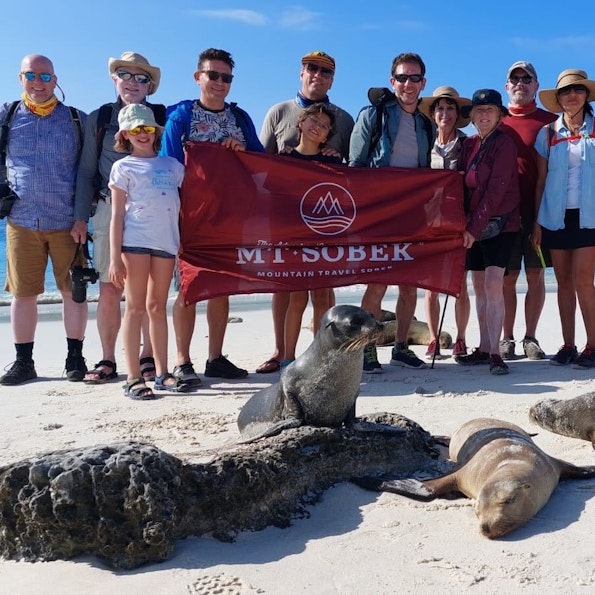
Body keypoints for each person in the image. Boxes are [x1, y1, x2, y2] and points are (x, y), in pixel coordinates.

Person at [161, 48, 264, 384]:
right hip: (189, 218)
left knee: (221, 288)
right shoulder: (182, 118)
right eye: (213, 75)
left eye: (226, 77)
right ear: (198, 77)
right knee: (188, 288)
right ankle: (182, 360)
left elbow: (262, 166)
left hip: (229, 217)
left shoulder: (241, 119)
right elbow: (168, 170)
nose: (220, 82)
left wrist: (243, 152)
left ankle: (216, 357)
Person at [257, 50, 354, 374]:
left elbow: (353, 171)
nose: (318, 75)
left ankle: (320, 355)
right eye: (312, 68)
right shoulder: (278, 111)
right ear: (301, 72)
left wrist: (334, 156)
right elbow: (258, 163)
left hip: (323, 224)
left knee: (323, 292)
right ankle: (282, 352)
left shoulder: (343, 118)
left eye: (326, 72)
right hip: (285, 222)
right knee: (285, 289)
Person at [74, 51, 164, 385]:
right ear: (115, 79)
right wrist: (79, 218)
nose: (133, 82)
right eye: (125, 74)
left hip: (152, 214)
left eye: (141, 78)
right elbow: (85, 171)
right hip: (108, 208)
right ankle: (108, 359)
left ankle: (147, 357)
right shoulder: (98, 119)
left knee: (150, 291)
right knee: (111, 287)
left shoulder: (161, 117)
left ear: (150, 86)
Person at [0, 54, 87, 386]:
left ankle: (75, 358)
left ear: (56, 79)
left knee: (72, 292)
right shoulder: (6, 116)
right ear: (20, 77)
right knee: (23, 294)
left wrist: (82, 217)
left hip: (67, 222)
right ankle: (24, 362)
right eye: (31, 75)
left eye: (46, 76)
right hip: (21, 220)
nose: (39, 82)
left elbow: (87, 171)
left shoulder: (76, 120)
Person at [349, 52, 433, 373]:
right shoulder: (373, 116)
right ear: (392, 81)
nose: (408, 84)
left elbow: (427, 171)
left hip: (412, 215)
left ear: (423, 82)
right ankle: (367, 350)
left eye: (414, 78)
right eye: (402, 78)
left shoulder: (425, 124)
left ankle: (400, 347)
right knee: (378, 282)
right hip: (380, 214)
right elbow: (355, 167)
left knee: (409, 283)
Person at [109, 104, 187, 399]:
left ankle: (163, 372)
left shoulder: (172, 166)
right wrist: (115, 257)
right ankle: (132, 377)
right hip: (135, 242)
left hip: (166, 244)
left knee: (158, 307)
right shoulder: (123, 167)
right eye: (136, 129)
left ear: (156, 132)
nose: (143, 134)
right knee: (135, 307)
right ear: (126, 134)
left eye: (148, 128)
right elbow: (116, 216)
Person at [455, 90, 520, 375]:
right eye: (478, 110)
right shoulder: (468, 145)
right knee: (478, 287)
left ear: (500, 115)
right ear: (471, 116)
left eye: (490, 110)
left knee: (494, 285)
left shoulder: (504, 144)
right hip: (473, 225)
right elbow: (458, 184)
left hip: (501, 225)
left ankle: (496, 352)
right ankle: (482, 348)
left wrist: (473, 228)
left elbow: (496, 191)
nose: (483, 115)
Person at [533, 69, 595, 369]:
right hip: (555, 216)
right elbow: (541, 179)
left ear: (586, 95)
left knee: (584, 281)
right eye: (566, 91)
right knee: (563, 283)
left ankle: (592, 345)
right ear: (557, 99)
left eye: (578, 90)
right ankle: (568, 345)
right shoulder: (547, 133)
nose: (572, 95)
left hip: (590, 217)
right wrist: (536, 221)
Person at [499, 61, 557, 361]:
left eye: (527, 78)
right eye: (515, 78)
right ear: (507, 86)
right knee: (507, 278)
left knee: (536, 275)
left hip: (541, 213)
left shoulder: (551, 122)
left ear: (535, 86)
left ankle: (531, 338)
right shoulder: (496, 120)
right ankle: (506, 338)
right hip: (504, 214)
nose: (520, 83)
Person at [280, 103, 342, 366]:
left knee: (321, 297)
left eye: (324, 125)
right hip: (294, 236)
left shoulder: (332, 160)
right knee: (297, 298)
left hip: (324, 236)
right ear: (301, 122)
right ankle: (287, 358)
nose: (317, 127)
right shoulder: (284, 158)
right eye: (313, 121)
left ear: (327, 135)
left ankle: (320, 358)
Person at [418, 86, 471, 360]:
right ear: (432, 113)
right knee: (430, 286)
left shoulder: (468, 144)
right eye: (440, 108)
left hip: (458, 219)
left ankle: (461, 339)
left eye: (450, 108)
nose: (445, 113)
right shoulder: (424, 143)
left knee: (459, 284)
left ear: (457, 113)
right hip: (429, 222)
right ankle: (434, 338)